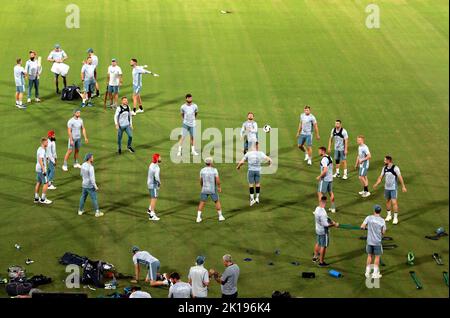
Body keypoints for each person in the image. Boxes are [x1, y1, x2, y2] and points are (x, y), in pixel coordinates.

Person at [373, 156, 407, 225]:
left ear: (389, 161)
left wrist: (403, 186)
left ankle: (395, 217)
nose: (384, 161)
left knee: (394, 202)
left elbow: (400, 177)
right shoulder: (384, 168)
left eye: (385, 160)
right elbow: (380, 177)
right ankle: (389, 215)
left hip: (393, 188)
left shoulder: (395, 168)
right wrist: (376, 183)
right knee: (388, 201)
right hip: (386, 188)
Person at [361, 205, 386, 279]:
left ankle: (367, 272)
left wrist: (366, 227)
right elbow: (383, 232)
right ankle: (375, 274)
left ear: (374, 210)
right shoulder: (382, 220)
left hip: (369, 241)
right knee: (377, 257)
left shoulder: (369, 217)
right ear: (380, 211)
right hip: (377, 242)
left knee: (369, 256)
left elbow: (362, 226)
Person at [196, 157, 225, 223]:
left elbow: (201, 180)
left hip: (204, 188)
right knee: (216, 201)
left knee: (202, 202)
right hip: (212, 189)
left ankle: (198, 218)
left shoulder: (202, 170)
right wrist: (219, 187)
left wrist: (202, 187)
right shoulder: (214, 170)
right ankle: (220, 216)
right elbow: (217, 180)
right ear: (211, 162)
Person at [312, 196, 338, 267]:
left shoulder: (317, 208)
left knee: (318, 242)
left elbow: (326, 218)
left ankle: (315, 257)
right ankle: (321, 262)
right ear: (325, 202)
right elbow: (326, 225)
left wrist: (331, 220)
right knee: (323, 246)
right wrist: (334, 224)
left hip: (317, 229)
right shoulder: (323, 213)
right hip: (323, 231)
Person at [78, 153, 103, 217]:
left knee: (83, 197)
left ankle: (80, 211)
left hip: (84, 184)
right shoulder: (91, 167)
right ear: (89, 159)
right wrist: (96, 186)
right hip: (90, 186)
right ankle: (97, 212)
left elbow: (81, 174)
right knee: (94, 198)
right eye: (92, 157)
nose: (93, 158)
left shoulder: (83, 164)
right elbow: (92, 179)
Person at [317, 147, 336, 213]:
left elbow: (325, 170)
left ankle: (321, 209)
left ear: (322, 151)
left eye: (319, 151)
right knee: (331, 192)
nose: (318, 152)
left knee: (320, 193)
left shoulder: (324, 160)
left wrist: (320, 176)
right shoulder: (330, 157)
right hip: (330, 178)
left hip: (325, 179)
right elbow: (332, 167)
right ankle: (333, 208)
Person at [34, 137, 52, 204]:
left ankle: (36, 198)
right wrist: (44, 169)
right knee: (46, 183)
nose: (47, 143)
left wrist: (46, 158)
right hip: (42, 169)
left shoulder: (39, 149)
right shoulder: (42, 150)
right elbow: (40, 159)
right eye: (47, 142)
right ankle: (43, 199)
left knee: (38, 182)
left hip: (38, 168)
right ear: (43, 142)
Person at [147, 154, 162, 221]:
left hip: (149, 183)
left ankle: (149, 210)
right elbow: (157, 177)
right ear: (157, 159)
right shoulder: (157, 168)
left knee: (153, 197)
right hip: (153, 185)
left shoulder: (151, 164)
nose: (161, 158)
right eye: (159, 157)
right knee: (154, 198)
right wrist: (159, 183)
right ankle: (152, 215)